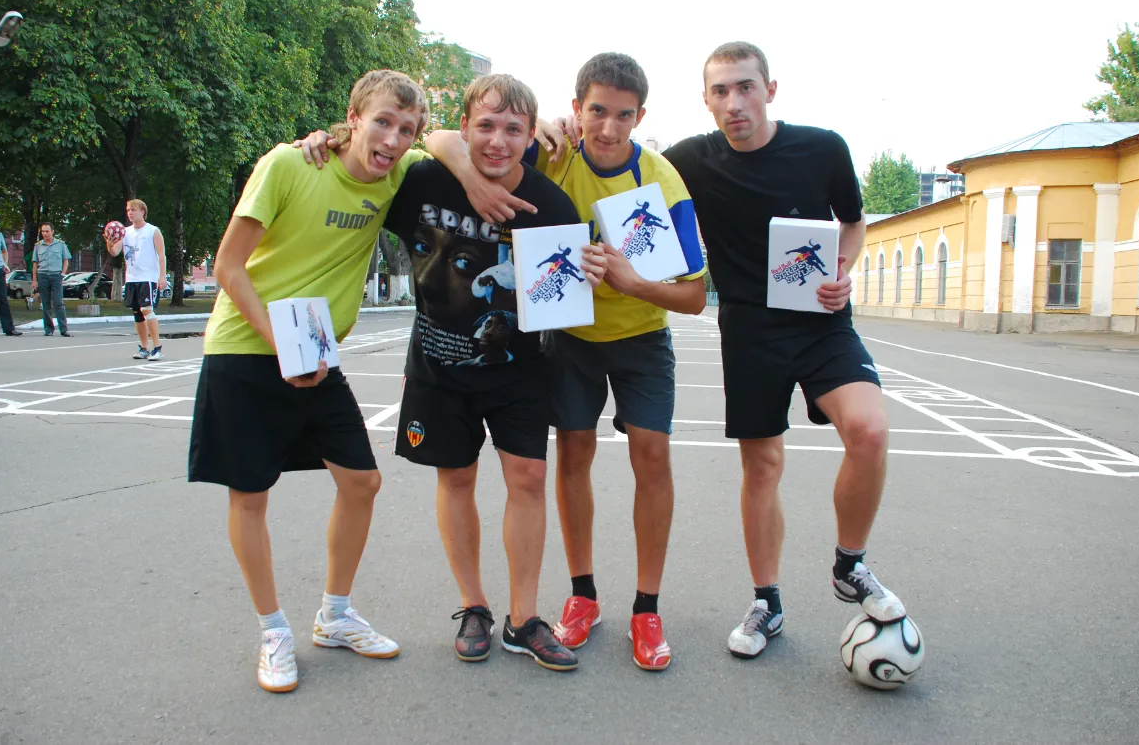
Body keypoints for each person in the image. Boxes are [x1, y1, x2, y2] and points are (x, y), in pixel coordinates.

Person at [426, 53, 708, 671]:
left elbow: (693, 296)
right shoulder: (553, 153)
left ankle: (647, 608)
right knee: (574, 455)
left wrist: (635, 283)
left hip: (640, 337)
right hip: (570, 338)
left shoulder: (661, 179)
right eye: (597, 111)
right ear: (577, 108)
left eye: (624, 116)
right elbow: (446, 138)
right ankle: (583, 596)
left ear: (641, 117)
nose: (608, 127)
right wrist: (473, 177)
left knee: (652, 457)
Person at [660, 41, 906, 658]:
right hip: (749, 332)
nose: (734, 103)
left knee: (870, 430)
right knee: (763, 467)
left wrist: (843, 268)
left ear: (770, 90)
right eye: (721, 91)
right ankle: (766, 603)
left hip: (821, 321)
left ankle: (849, 564)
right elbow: (622, 166)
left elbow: (852, 222)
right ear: (706, 99)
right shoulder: (689, 159)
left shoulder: (822, 148)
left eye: (746, 87)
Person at [188, 69, 429, 693]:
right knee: (250, 494)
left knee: (362, 481)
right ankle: (273, 631)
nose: (393, 140)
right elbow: (228, 266)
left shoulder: (397, 173)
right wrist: (279, 345)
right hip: (245, 348)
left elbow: (457, 144)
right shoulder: (289, 165)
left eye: (407, 130)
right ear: (352, 118)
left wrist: (546, 126)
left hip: (316, 351)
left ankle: (335, 616)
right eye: (382, 122)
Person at [383, 74, 605, 670]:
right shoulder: (425, 181)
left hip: (520, 370)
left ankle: (523, 619)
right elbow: (374, 168)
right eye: (484, 126)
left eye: (512, 129)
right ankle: (473, 606)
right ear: (465, 127)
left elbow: (563, 296)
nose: (497, 141)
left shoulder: (550, 205)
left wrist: (585, 275)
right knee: (455, 479)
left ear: (531, 136)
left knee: (528, 479)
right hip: (437, 364)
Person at [105, 199, 167, 360]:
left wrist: (162, 276)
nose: (130, 213)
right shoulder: (125, 232)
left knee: (147, 309)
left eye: (133, 210)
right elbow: (114, 252)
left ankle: (157, 347)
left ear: (142, 212)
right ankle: (144, 348)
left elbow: (162, 255)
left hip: (148, 278)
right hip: (132, 278)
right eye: (128, 210)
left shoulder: (153, 231)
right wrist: (109, 243)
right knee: (137, 314)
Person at [30, 223, 72, 337]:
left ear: (52, 231)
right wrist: (34, 280)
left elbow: (66, 260)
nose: (45, 234)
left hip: (56, 276)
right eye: (43, 231)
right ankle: (48, 329)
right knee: (45, 303)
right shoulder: (38, 246)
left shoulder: (60, 244)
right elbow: (35, 263)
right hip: (43, 275)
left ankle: (64, 329)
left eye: (47, 231)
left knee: (58, 303)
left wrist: (62, 274)